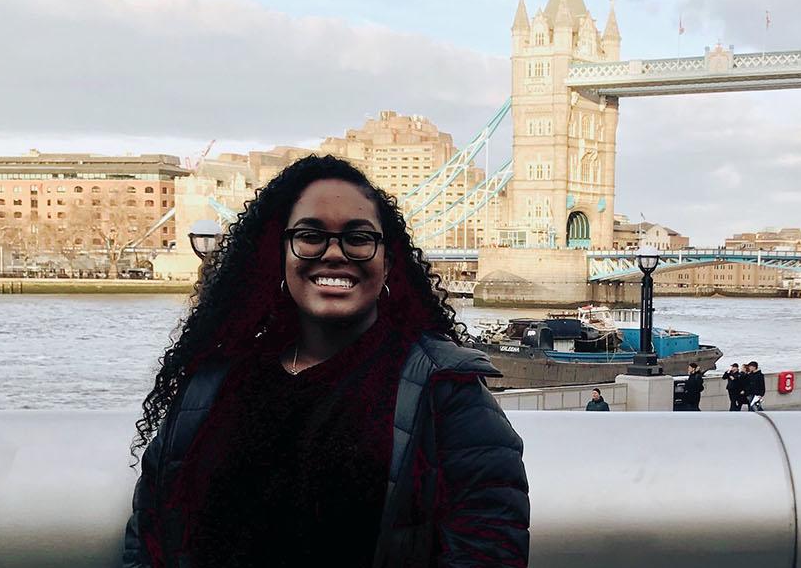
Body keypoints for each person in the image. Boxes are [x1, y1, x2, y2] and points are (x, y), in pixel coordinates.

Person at [122, 156, 530, 567]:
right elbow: (150, 535)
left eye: (358, 238)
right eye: (310, 235)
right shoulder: (212, 380)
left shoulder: (448, 392)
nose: (334, 253)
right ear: (280, 254)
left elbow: (488, 549)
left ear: (387, 263)